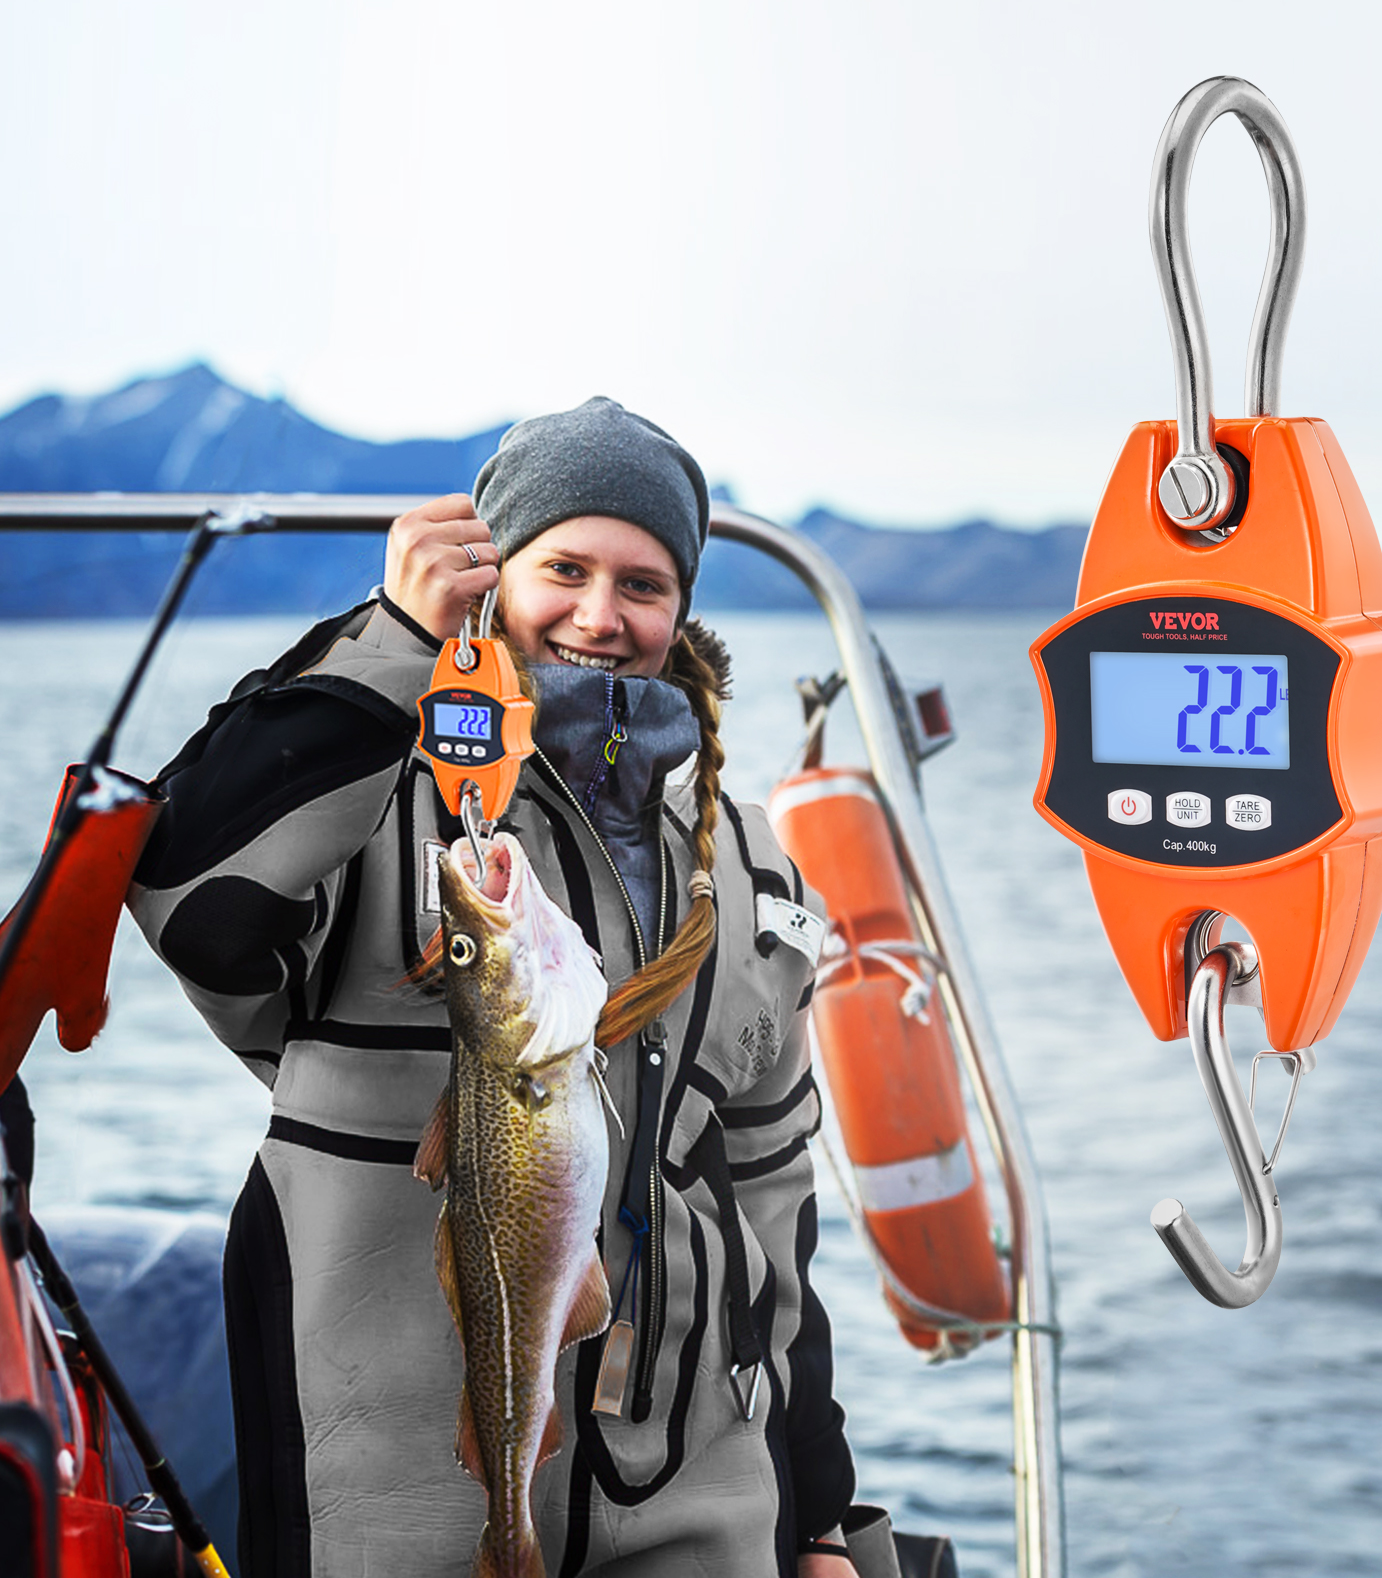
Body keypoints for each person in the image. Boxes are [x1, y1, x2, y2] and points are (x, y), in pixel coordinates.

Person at [129, 398, 867, 1578]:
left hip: (698, 1506)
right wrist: (390, 641)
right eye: (562, 569)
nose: (600, 615)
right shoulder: (368, 791)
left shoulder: (749, 859)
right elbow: (183, 891)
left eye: (642, 584)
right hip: (387, 1511)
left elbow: (774, 1218)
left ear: (679, 609)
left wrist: (822, 1520)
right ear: (491, 577)